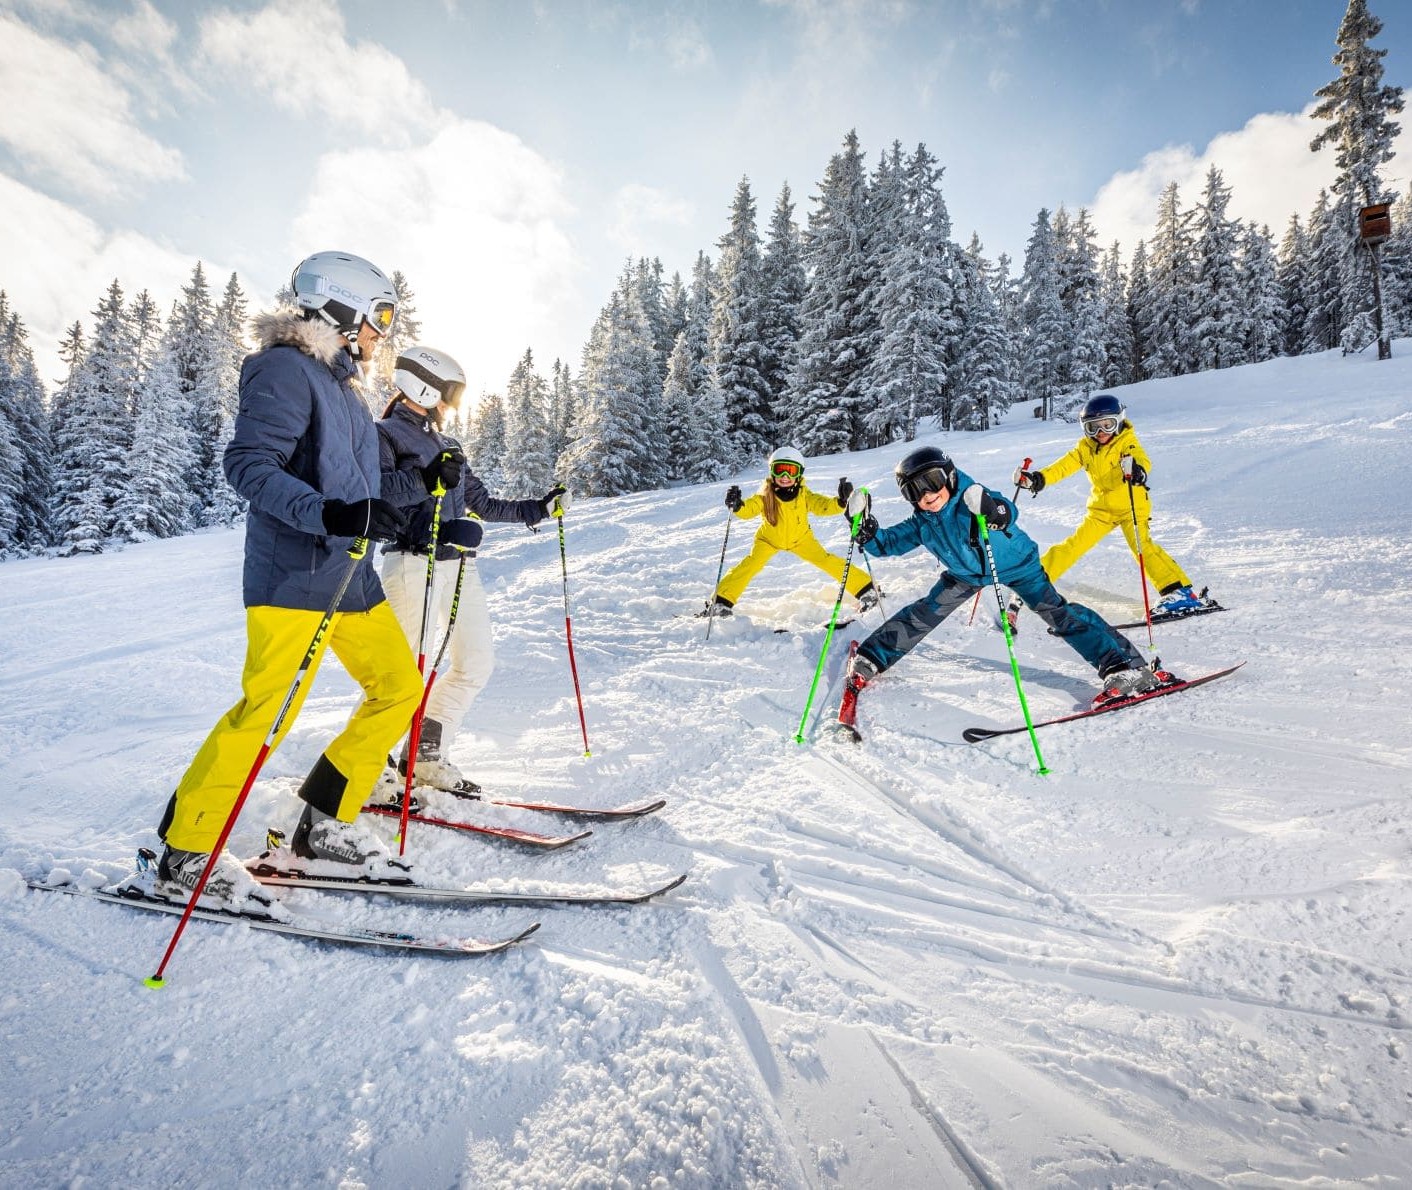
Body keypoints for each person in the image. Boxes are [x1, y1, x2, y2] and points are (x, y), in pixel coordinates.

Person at [154, 251, 425, 908]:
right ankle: (186, 852)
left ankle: (323, 823)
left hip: (349, 576)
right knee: (267, 714)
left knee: (398, 688)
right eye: (378, 316)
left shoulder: (344, 391)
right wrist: (329, 512)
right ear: (339, 307)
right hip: (294, 572)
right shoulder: (283, 368)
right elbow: (249, 465)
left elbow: (358, 486)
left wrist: (419, 483)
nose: (382, 331)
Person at [841, 445, 1172, 717]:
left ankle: (1123, 665)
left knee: (1056, 612)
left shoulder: (972, 496)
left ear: (950, 476)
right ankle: (873, 657)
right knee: (926, 612)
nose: (927, 494)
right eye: (915, 489)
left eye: (932, 481)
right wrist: (866, 531)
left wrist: (992, 511)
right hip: (965, 574)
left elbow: (1005, 511)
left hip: (1017, 565)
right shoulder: (922, 521)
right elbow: (886, 544)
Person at [376, 344, 566, 795]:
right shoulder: (384, 434)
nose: (453, 403)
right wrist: (426, 487)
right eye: (450, 392)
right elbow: (378, 491)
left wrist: (539, 508)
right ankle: (372, 768)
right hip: (411, 564)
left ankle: (423, 757)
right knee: (401, 675)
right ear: (423, 384)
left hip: (458, 569)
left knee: (475, 663)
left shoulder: (448, 447)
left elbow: (482, 502)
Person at [1007, 393, 1212, 632]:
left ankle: (1179, 592)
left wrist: (1137, 470)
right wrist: (1038, 479)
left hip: (1130, 507)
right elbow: (1064, 466)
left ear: (1119, 422)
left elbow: (1142, 460)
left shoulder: (1126, 441)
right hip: (1101, 511)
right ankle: (1032, 582)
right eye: (1093, 427)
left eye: (1107, 425)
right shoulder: (1086, 448)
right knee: (1073, 546)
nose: (1101, 432)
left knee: (1142, 547)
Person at [699, 445, 878, 618]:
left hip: (801, 539)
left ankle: (866, 589)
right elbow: (750, 508)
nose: (785, 476)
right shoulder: (765, 494)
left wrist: (840, 501)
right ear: (772, 472)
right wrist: (738, 506)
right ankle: (721, 601)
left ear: (799, 474)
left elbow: (822, 505)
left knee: (827, 561)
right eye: (780, 470)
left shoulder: (804, 495)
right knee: (750, 565)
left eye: (790, 471)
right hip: (768, 540)